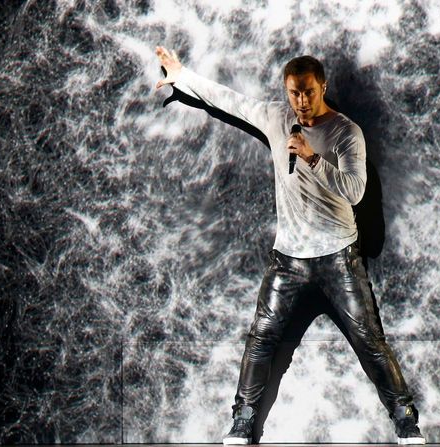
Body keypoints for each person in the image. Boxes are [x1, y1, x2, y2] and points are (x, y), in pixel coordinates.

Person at [155, 46, 425, 445]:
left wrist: (314, 159)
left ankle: (406, 422)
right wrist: (182, 77)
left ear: (322, 88)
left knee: (370, 341)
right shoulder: (278, 118)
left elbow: (354, 192)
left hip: (339, 259)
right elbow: (233, 102)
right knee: (260, 338)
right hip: (288, 263)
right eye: (294, 93)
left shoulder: (345, 132)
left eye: (308, 92)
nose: (301, 102)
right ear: (286, 91)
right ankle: (242, 424)